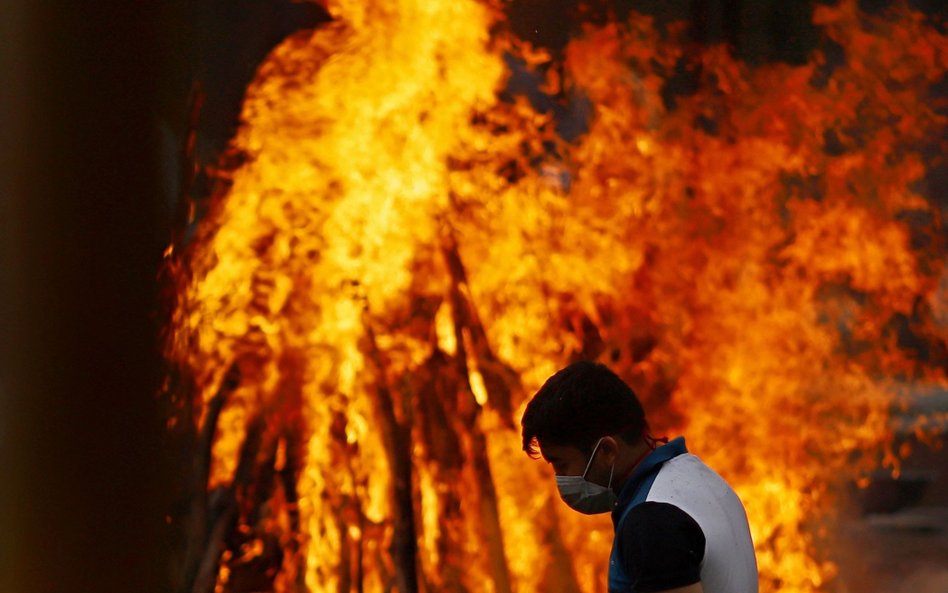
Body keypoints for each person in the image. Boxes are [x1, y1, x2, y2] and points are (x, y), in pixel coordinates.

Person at [521, 360, 758, 593]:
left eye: (561, 464)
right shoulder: (698, 477)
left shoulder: (651, 522)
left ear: (606, 451)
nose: (559, 479)